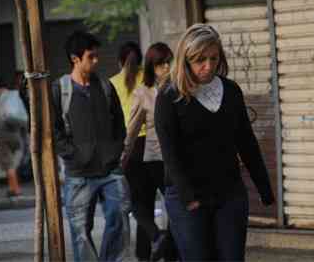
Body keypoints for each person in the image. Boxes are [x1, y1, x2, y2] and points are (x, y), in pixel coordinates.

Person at [154, 24, 275, 262]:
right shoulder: (170, 96)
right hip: (187, 197)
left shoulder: (231, 91)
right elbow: (170, 153)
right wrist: (189, 197)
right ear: (186, 59)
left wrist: (264, 187)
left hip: (229, 193)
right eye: (200, 60)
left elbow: (247, 142)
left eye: (213, 58)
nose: (208, 66)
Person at [51, 30, 130, 262]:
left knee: (120, 218)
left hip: (110, 171)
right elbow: (53, 131)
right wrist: (74, 156)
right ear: (75, 59)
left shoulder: (105, 87)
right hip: (78, 176)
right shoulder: (59, 89)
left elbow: (119, 124)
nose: (96, 61)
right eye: (91, 57)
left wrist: (114, 152)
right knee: (80, 234)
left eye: (96, 56)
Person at [121, 42, 178, 262]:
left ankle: (168, 248)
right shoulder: (143, 93)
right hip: (148, 157)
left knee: (175, 206)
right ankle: (156, 242)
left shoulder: (178, 88)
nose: (166, 67)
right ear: (151, 67)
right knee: (140, 205)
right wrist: (123, 155)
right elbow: (133, 128)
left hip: (172, 159)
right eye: (161, 64)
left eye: (168, 62)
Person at [110, 41, 150, 261]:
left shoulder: (112, 83)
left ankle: (149, 245)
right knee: (158, 200)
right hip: (154, 146)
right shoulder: (150, 78)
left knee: (138, 203)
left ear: (119, 61)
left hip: (130, 148)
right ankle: (162, 248)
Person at [0, 76, 26, 197]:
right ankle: (12, 188)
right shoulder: (12, 96)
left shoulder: (1, 99)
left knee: (8, 165)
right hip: (15, 134)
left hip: (4, 135)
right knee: (11, 163)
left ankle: (16, 189)